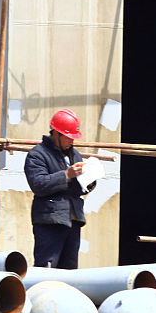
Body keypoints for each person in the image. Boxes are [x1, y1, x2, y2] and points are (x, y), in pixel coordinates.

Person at [24, 109, 96, 268]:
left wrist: (89, 181)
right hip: (50, 221)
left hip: (73, 220)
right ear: (56, 134)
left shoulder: (74, 155)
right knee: (48, 267)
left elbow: (77, 188)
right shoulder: (38, 155)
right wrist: (66, 174)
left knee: (69, 270)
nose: (71, 141)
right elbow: (38, 184)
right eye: (68, 137)